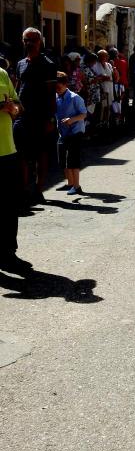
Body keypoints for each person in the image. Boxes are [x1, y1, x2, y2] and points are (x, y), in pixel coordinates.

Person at [14, 27, 57, 205]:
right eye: (26, 40)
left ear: (40, 42)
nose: (29, 43)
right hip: (22, 117)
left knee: (41, 154)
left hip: (41, 117)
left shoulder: (48, 64)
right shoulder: (20, 63)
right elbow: (18, 87)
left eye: (33, 40)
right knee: (21, 154)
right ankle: (24, 190)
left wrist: (50, 119)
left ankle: (38, 190)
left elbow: (51, 94)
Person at [0, 60, 28, 272]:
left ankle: (8, 252)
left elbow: (19, 105)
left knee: (9, 206)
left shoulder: (2, 73)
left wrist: (13, 108)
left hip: (7, 150)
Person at [55, 71, 87, 195]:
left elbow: (83, 114)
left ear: (65, 84)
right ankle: (70, 183)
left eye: (58, 87)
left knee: (73, 160)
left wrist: (71, 120)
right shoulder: (56, 97)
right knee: (62, 159)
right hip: (63, 133)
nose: (57, 89)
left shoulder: (75, 97)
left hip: (75, 132)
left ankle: (77, 186)